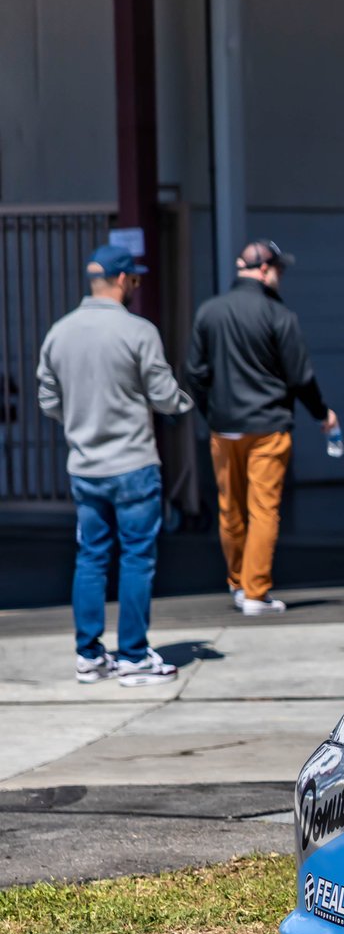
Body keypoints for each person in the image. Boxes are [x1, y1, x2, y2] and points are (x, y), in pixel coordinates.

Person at [34, 244, 195, 685]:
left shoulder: (59, 332)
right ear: (124, 280)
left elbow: (48, 401)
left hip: (85, 466)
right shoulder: (138, 331)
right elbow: (164, 395)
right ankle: (133, 657)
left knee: (90, 558)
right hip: (133, 463)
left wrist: (81, 417)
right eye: (136, 279)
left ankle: (89, 656)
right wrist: (185, 403)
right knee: (137, 559)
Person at [185, 239, 339, 615]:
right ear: (265, 269)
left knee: (230, 510)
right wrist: (323, 413)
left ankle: (238, 582)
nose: (281, 277)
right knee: (264, 509)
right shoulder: (279, 315)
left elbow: (194, 373)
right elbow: (301, 377)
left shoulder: (209, 312)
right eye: (279, 270)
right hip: (269, 426)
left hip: (224, 428)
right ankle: (256, 592)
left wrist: (212, 412)